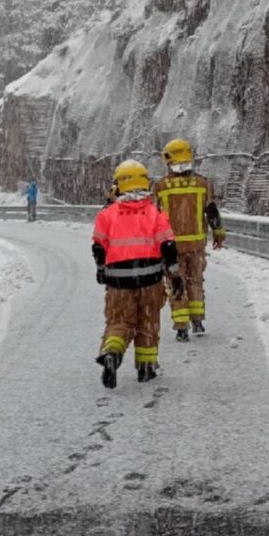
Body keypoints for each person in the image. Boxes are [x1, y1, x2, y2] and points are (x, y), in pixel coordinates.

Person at [93, 160, 183, 387]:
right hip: (150, 280)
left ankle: (112, 352)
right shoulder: (155, 212)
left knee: (119, 321)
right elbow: (169, 247)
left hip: (118, 282)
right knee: (148, 322)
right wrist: (175, 275)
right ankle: (146, 367)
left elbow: (98, 247)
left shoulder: (107, 214)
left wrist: (102, 270)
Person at [152, 139, 225, 342]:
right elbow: (211, 212)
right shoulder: (202, 184)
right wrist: (218, 232)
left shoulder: (160, 187)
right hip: (196, 245)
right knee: (195, 282)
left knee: (176, 284)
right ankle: (197, 321)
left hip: (170, 248)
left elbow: (154, 219)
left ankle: (181, 327)